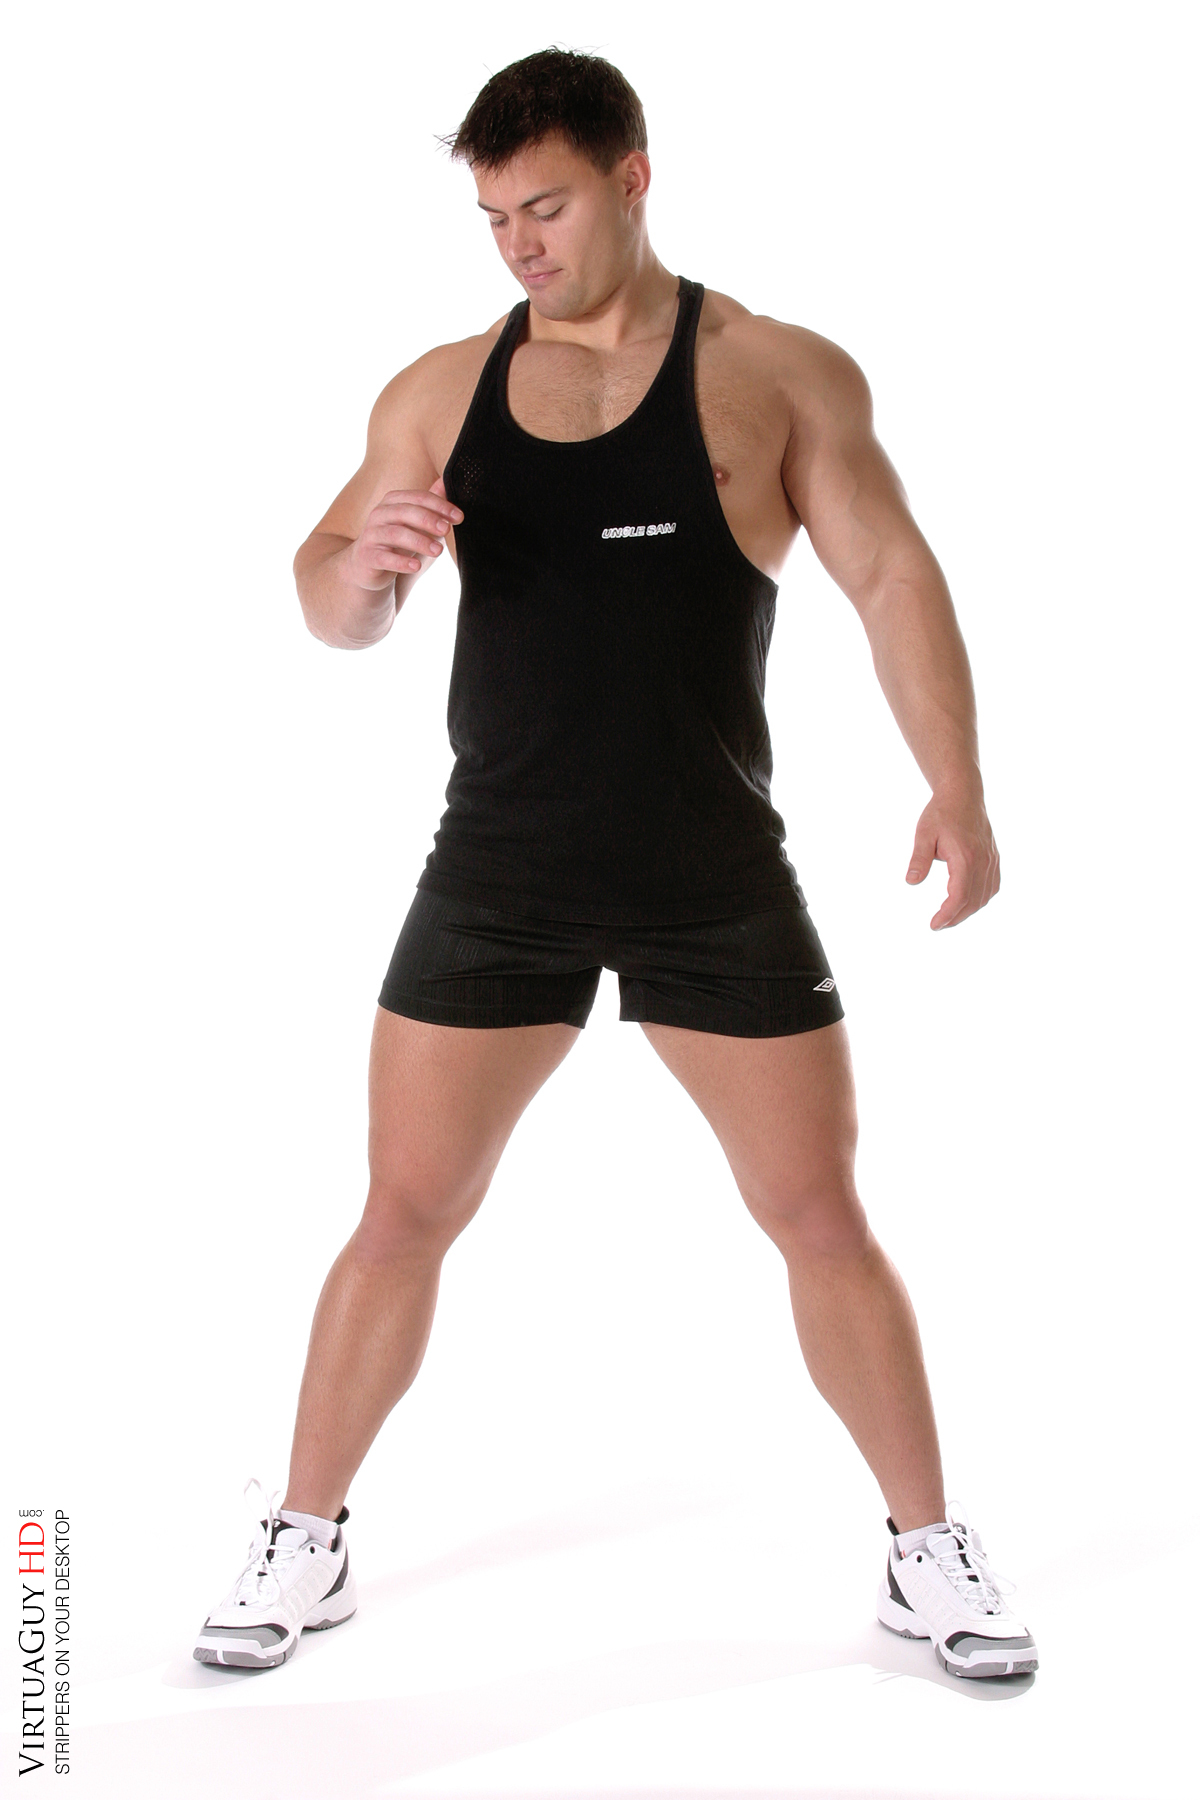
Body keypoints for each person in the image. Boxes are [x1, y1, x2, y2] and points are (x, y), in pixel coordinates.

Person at [194, 47, 1036, 1681]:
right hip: (497, 868)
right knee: (403, 1210)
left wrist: (959, 785)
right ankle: (307, 1531)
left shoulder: (775, 372)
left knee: (817, 1212)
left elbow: (890, 572)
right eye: (495, 218)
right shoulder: (440, 389)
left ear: (633, 178)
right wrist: (364, 573)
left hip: (711, 868)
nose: (520, 244)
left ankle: (925, 1549)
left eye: (549, 207)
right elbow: (328, 593)